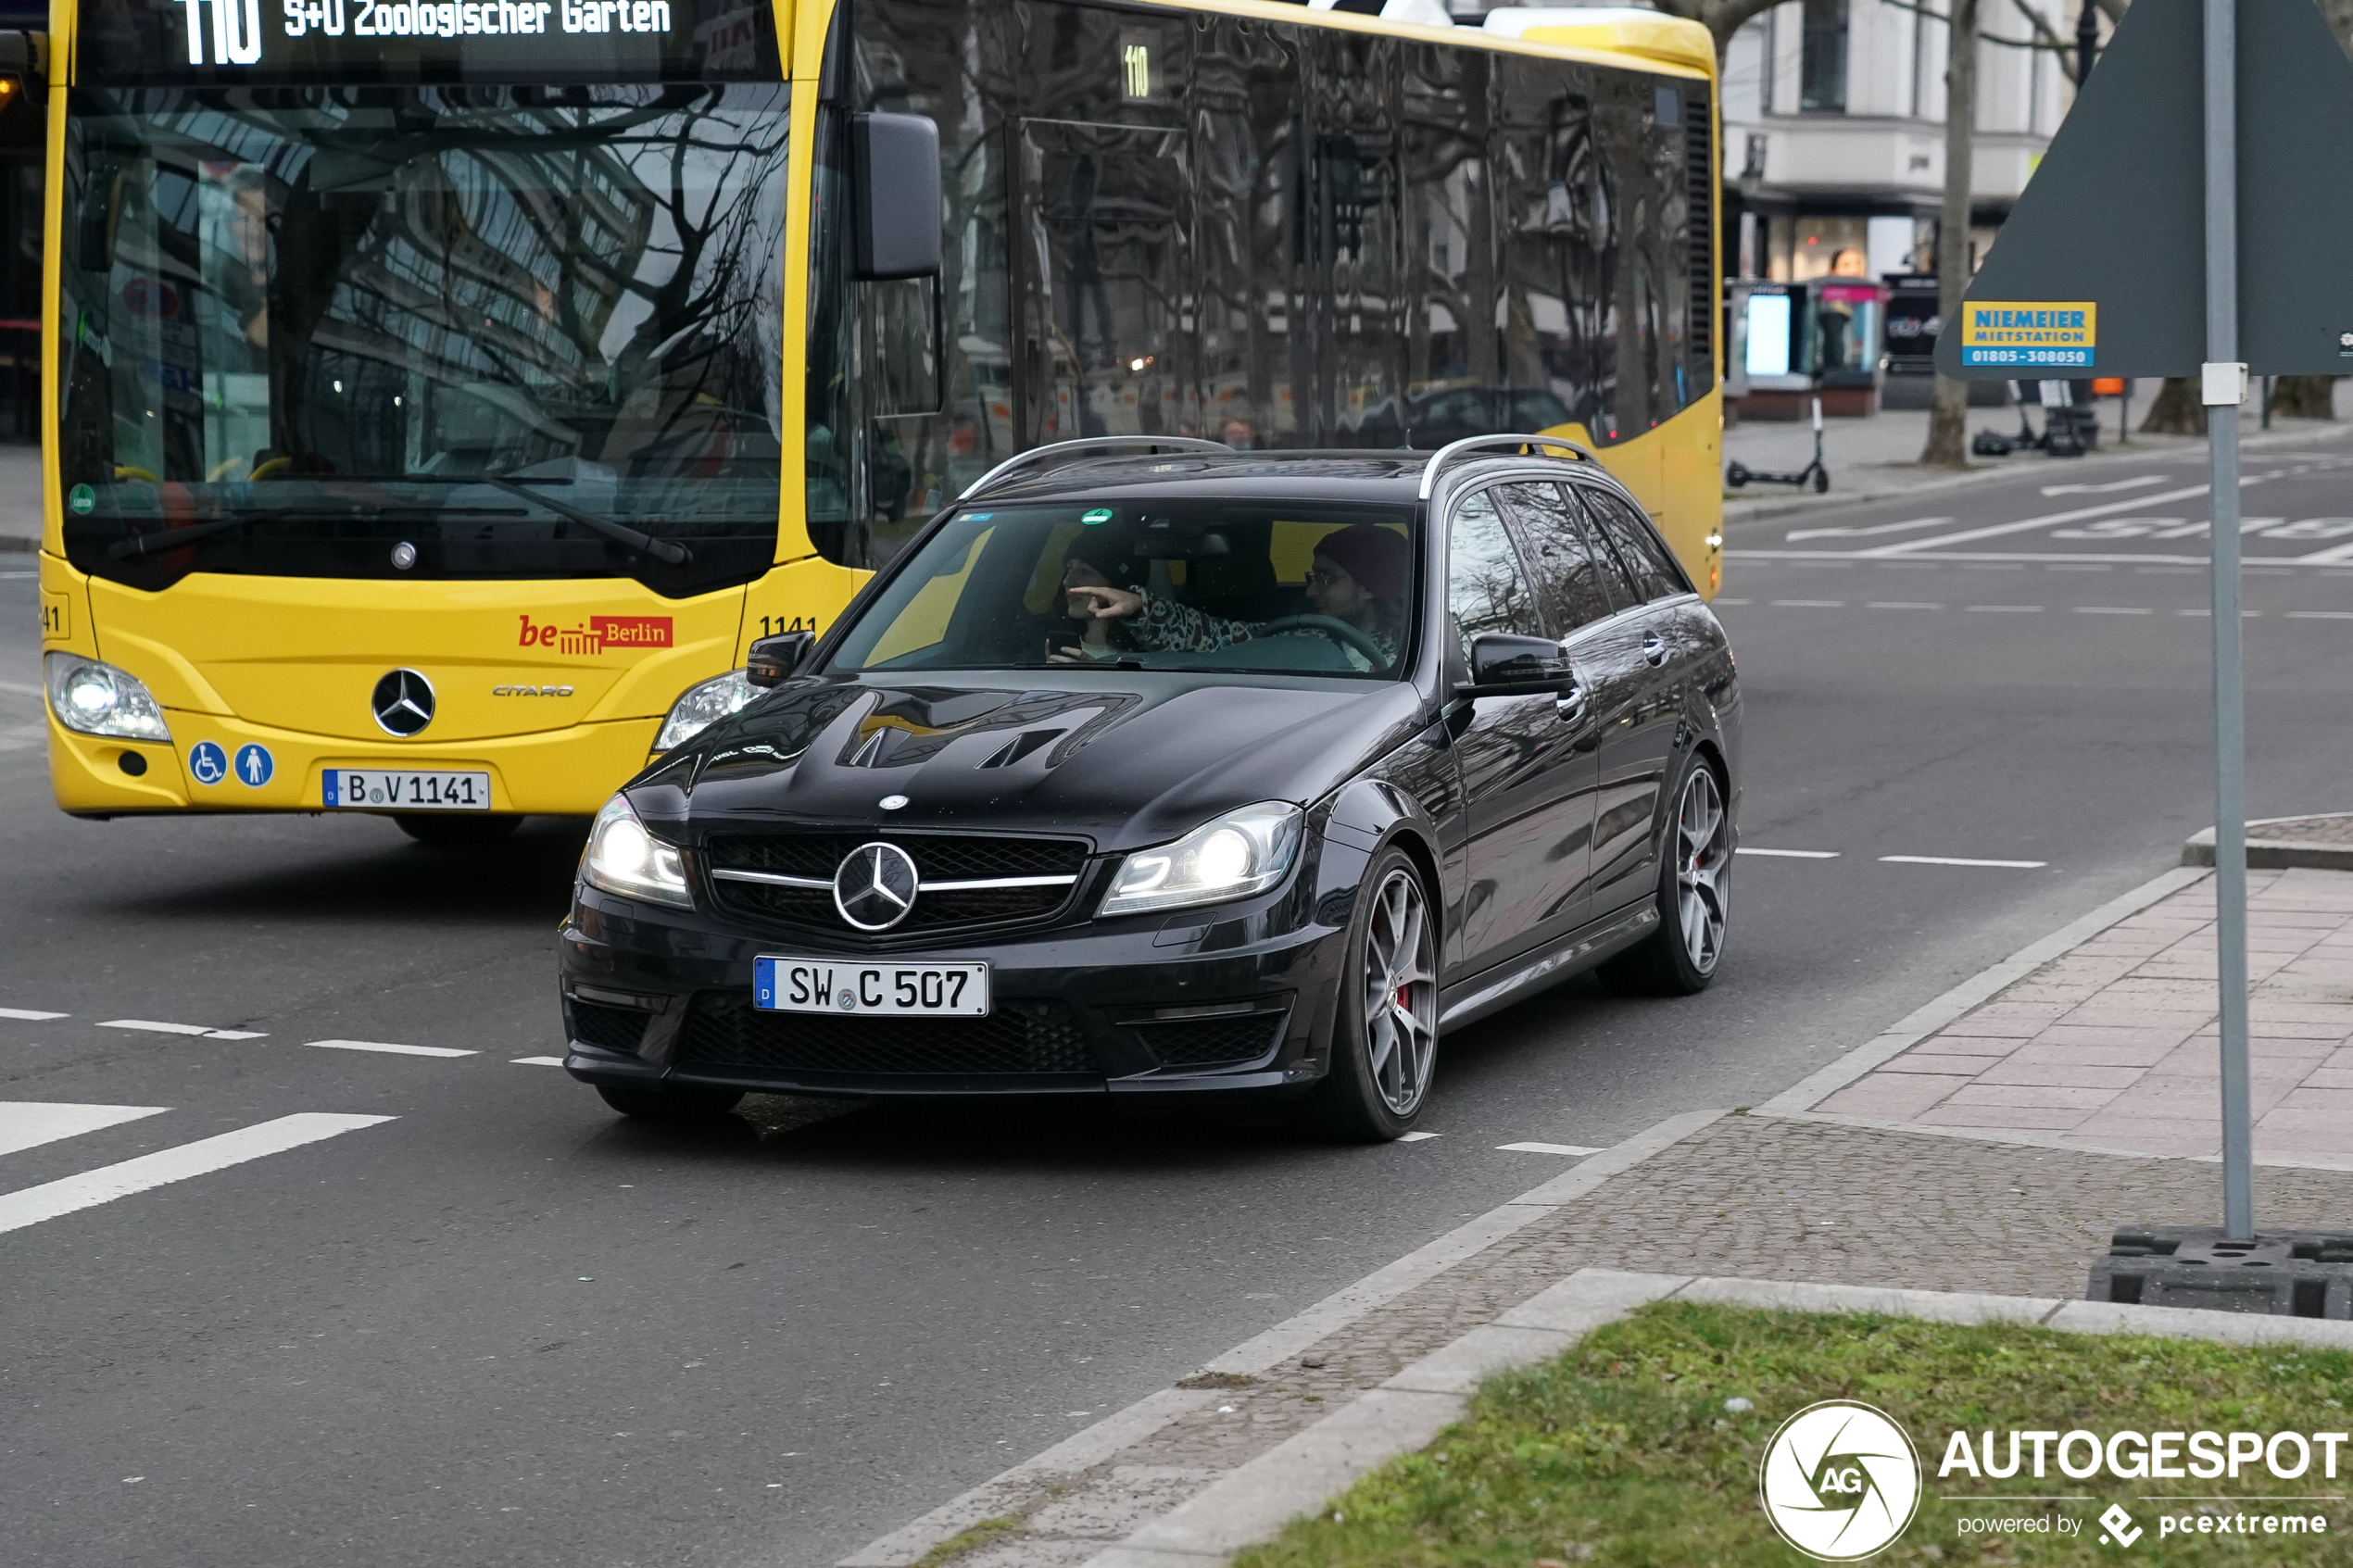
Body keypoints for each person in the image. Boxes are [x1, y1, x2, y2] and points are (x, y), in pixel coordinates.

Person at [1058, 523, 1410, 671]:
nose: (1310, 590)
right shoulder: (1307, 634)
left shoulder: (1415, 656)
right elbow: (1214, 636)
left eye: (1326, 578)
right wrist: (1140, 607)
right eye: (1311, 577)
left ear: (1369, 586)